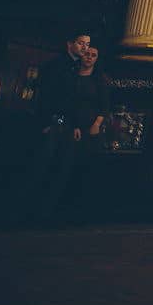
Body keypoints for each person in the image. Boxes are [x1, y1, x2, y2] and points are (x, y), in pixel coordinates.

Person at [16, 29, 109, 225]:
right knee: (41, 167)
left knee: (61, 169)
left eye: (88, 46)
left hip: (72, 127)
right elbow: (45, 96)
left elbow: (81, 102)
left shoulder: (82, 71)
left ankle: (46, 214)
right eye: (82, 44)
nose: (85, 50)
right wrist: (45, 123)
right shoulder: (59, 67)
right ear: (70, 44)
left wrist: (78, 124)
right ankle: (28, 213)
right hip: (54, 124)